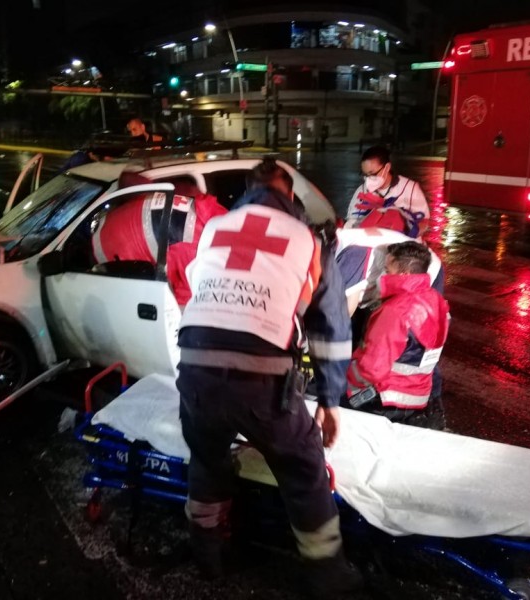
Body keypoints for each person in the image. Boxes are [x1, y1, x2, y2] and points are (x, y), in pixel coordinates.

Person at [176, 157, 360, 597]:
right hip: (261, 380)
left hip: (195, 370)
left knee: (207, 460)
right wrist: (330, 402)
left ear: (248, 190)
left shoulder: (216, 229)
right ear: (289, 193)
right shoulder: (306, 239)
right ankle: (328, 577)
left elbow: (196, 287)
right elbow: (330, 329)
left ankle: (207, 555)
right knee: (303, 468)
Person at [346, 242, 449, 429]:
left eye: (387, 269)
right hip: (418, 397)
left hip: (383, 399)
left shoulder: (395, 311)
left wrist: (343, 377)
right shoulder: (436, 300)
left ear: (404, 274)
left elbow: (371, 369)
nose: (382, 275)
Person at [90, 174, 226, 306]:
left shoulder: (214, 210)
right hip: (105, 251)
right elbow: (186, 301)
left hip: (106, 222)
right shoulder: (194, 255)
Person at [345, 145, 430, 235]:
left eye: (372, 173)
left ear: (387, 168)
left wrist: (407, 234)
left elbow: (424, 222)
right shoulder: (361, 191)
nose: (368, 178)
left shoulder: (410, 188)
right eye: (365, 174)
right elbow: (352, 220)